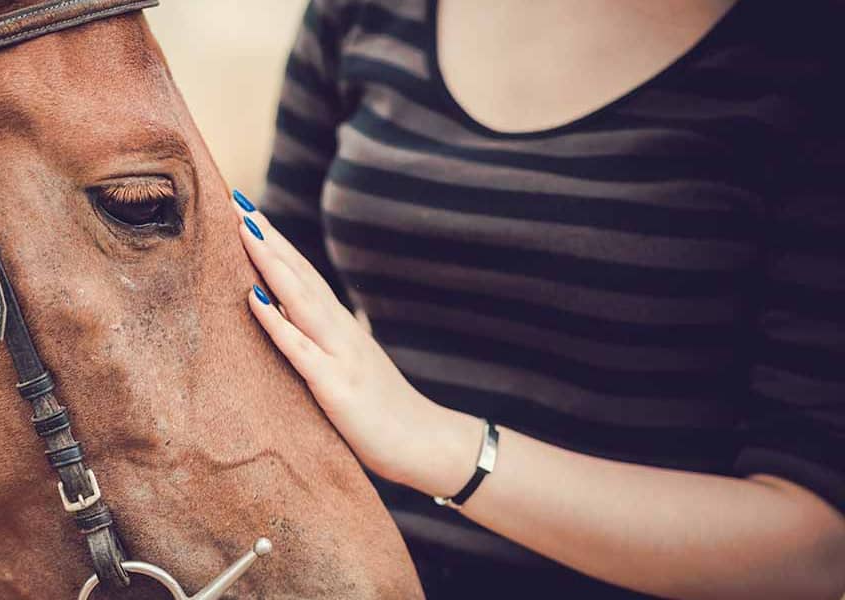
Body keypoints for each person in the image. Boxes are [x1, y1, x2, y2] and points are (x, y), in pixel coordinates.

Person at [230, 0, 845, 598]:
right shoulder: (365, 11)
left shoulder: (807, 57)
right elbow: (264, 316)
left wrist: (442, 446)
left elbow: (818, 551)